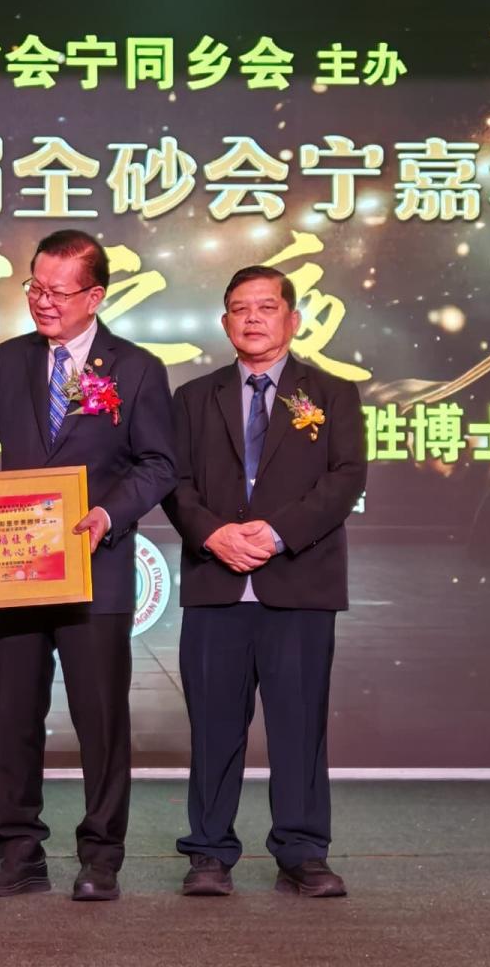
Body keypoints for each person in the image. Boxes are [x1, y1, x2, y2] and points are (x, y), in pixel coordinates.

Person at [0, 229, 176, 901]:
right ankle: (19, 853)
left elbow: (158, 464)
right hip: (17, 568)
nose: (42, 302)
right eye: (34, 287)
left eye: (58, 292)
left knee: (100, 719)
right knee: (16, 714)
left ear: (95, 296)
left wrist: (108, 514)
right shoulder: (11, 358)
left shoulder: (137, 368)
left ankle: (101, 858)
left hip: (94, 569)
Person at [161, 264, 367, 898]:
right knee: (213, 726)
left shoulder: (332, 393)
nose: (252, 318)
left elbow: (345, 479)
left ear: (293, 319)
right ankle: (208, 852)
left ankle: (302, 853)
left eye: (266, 307)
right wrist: (213, 534)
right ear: (225, 322)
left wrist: (276, 534)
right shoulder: (193, 398)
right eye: (240, 308)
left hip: (299, 584)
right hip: (215, 584)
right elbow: (174, 481)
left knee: (299, 726)